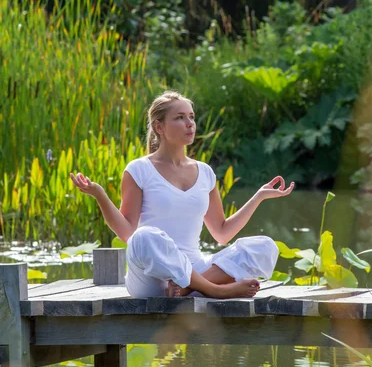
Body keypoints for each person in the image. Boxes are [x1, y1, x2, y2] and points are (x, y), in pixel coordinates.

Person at [70, 90, 294, 299]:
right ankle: (214, 290)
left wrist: (258, 197)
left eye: (191, 117)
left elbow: (222, 234)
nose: (190, 124)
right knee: (143, 235)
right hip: (153, 279)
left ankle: (190, 287)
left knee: (264, 246)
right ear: (159, 127)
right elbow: (128, 233)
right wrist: (99, 194)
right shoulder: (139, 169)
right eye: (179, 118)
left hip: (192, 272)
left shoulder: (205, 172)